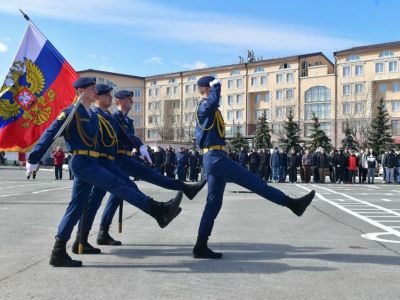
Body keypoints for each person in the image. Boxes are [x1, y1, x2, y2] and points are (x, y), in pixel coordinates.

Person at [26, 78, 183, 267]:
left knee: (76, 207)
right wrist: (34, 158)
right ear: (81, 91)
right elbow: (49, 134)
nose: (95, 92)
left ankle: (59, 251)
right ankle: (158, 210)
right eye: (92, 89)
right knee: (118, 184)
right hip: (82, 162)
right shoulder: (70, 113)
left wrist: (137, 146)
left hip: (93, 161)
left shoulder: (92, 115)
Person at [193, 75, 315, 259]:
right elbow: (212, 102)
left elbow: (214, 105)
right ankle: (292, 204)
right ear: (206, 89)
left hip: (215, 157)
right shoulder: (204, 107)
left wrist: (215, 89)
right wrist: (216, 86)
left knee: (213, 203)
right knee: (256, 183)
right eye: (212, 88)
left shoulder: (210, 109)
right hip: (215, 158)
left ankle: (200, 245)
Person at [76, 87, 206, 250]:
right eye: (127, 98)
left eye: (131, 98)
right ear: (119, 101)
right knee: (113, 192)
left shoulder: (125, 120)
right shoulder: (110, 116)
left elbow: (128, 136)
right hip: (113, 160)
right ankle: (87, 237)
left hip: (122, 158)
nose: (131, 101)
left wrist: (140, 146)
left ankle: (96, 234)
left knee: (116, 194)